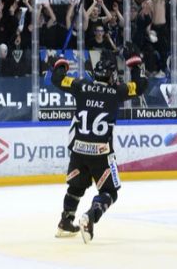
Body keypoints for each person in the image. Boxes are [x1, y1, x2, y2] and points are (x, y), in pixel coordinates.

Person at [50, 47, 147, 243]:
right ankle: (90, 217)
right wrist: (135, 63)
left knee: (75, 188)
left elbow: (57, 79)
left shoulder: (80, 85)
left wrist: (61, 63)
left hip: (78, 150)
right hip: (101, 153)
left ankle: (65, 222)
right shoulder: (116, 91)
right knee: (110, 192)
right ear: (111, 76)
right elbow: (141, 85)